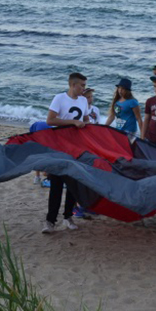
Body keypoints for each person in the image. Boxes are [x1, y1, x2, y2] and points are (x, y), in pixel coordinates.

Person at [42, 72, 89, 233]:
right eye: (81, 85)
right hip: (59, 146)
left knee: (73, 184)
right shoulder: (59, 98)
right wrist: (73, 122)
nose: (84, 89)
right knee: (56, 184)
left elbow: (86, 119)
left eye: (84, 85)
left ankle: (68, 217)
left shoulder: (83, 101)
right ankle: (50, 221)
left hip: (76, 148)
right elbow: (50, 120)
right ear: (73, 85)